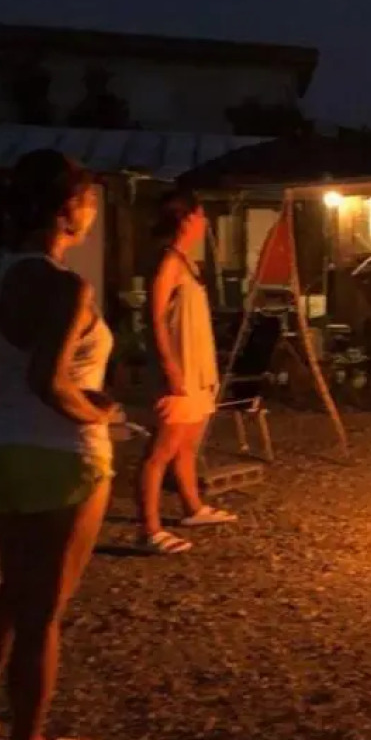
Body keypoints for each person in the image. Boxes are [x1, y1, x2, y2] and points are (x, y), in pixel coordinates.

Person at [0, 150, 112, 740]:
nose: (92, 212)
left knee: (14, 592)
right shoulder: (65, 285)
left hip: (0, 448)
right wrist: (99, 413)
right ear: (68, 209)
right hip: (62, 457)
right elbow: (50, 380)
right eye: (89, 201)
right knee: (43, 612)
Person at [136, 189, 235, 556]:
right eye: (201, 215)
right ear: (187, 219)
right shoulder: (168, 262)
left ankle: (193, 507)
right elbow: (155, 318)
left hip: (197, 368)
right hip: (179, 369)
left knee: (187, 445)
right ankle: (149, 528)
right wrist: (169, 367)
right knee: (161, 449)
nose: (205, 222)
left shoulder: (187, 262)